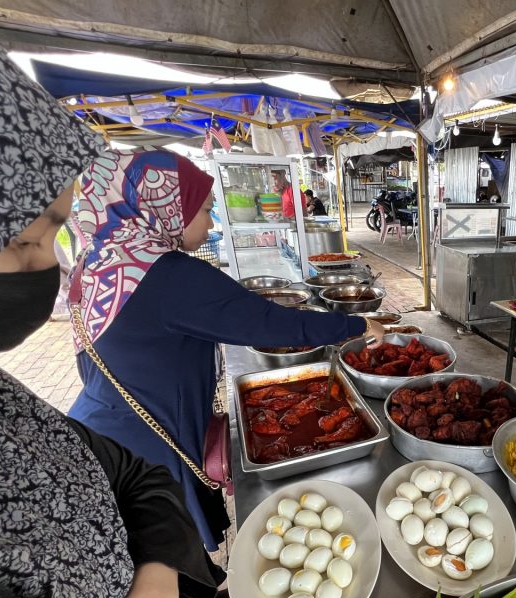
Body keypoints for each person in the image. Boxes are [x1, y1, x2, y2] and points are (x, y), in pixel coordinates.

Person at [0, 2, 256, 598]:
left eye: (53, 232)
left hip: (140, 449)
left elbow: (128, 475)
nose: (47, 263)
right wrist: (167, 587)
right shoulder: (165, 273)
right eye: (23, 240)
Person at [69, 148, 384, 554]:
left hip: (103, 425)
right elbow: (269, 323)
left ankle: (204, 596)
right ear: (167, 211)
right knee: (162, 550)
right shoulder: (165, 275)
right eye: (204, 210)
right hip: (143, 445)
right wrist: (356, 325)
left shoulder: (102, 259)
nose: (212, 221)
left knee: (156, 546)